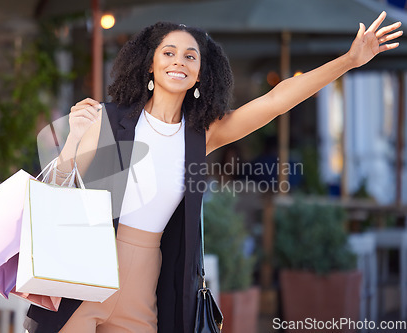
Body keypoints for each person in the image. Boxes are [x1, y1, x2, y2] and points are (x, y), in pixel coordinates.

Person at [24, 12, 402, 333]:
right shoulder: (108, 119)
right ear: (150, 65)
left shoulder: (201, 135)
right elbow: (59, 190)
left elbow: (275, 100)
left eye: (191, 56)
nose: (179, 61)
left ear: (201, 74)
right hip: (87, 266)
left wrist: (348, 61)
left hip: (148, 273)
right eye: (168, 52)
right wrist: (73, 139)